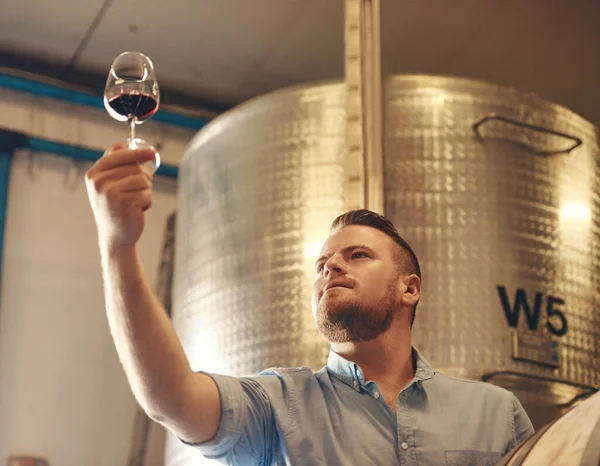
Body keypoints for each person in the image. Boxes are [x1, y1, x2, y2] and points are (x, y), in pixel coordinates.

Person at [85, 145, 535, 466]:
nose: (331, 268)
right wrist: (118, 247)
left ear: (410, 289)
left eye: (357, 255)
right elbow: (172, 399)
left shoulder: (496, 413)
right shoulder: (275, 407)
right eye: (322, 264)